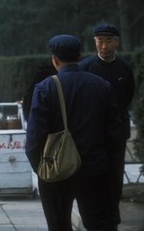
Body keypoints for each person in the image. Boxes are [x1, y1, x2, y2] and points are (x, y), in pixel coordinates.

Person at [25, 35, 123, 230]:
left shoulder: (45, 88)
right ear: (79, 56)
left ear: (54, 59)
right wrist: (109, 168)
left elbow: (34, 138)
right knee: (100, 225)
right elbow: (115, 136)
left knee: (59, 224)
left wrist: (42, 169)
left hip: (57, 170)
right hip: (95, 169)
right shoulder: (102, 85)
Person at [78, 23, 135, 228]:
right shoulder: (85, 67)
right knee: (93, 176)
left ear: (116, 42)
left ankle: (113, 216)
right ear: (94, 42)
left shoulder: (124, 68)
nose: (104, 45)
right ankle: (95, 219)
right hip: (92, 132)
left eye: (108, 40)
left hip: (117, 132)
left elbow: (127, 96)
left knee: (115, 175)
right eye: (100, 41)